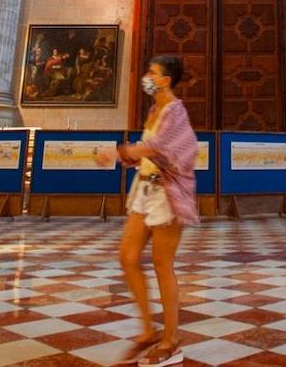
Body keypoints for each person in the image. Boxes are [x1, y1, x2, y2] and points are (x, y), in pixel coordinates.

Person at [94, 56, 198, 366]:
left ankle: (170, 340)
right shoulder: (154, 110)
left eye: (152, 73)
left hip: (168, 193)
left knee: (161, 264)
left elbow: (160, 146)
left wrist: (118, 152)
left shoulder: (175, 111)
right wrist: (132, 157)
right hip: (145, 189)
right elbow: (149, 151)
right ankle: (147, 331)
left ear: (166, 80)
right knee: (127, 256)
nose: (146, 77)